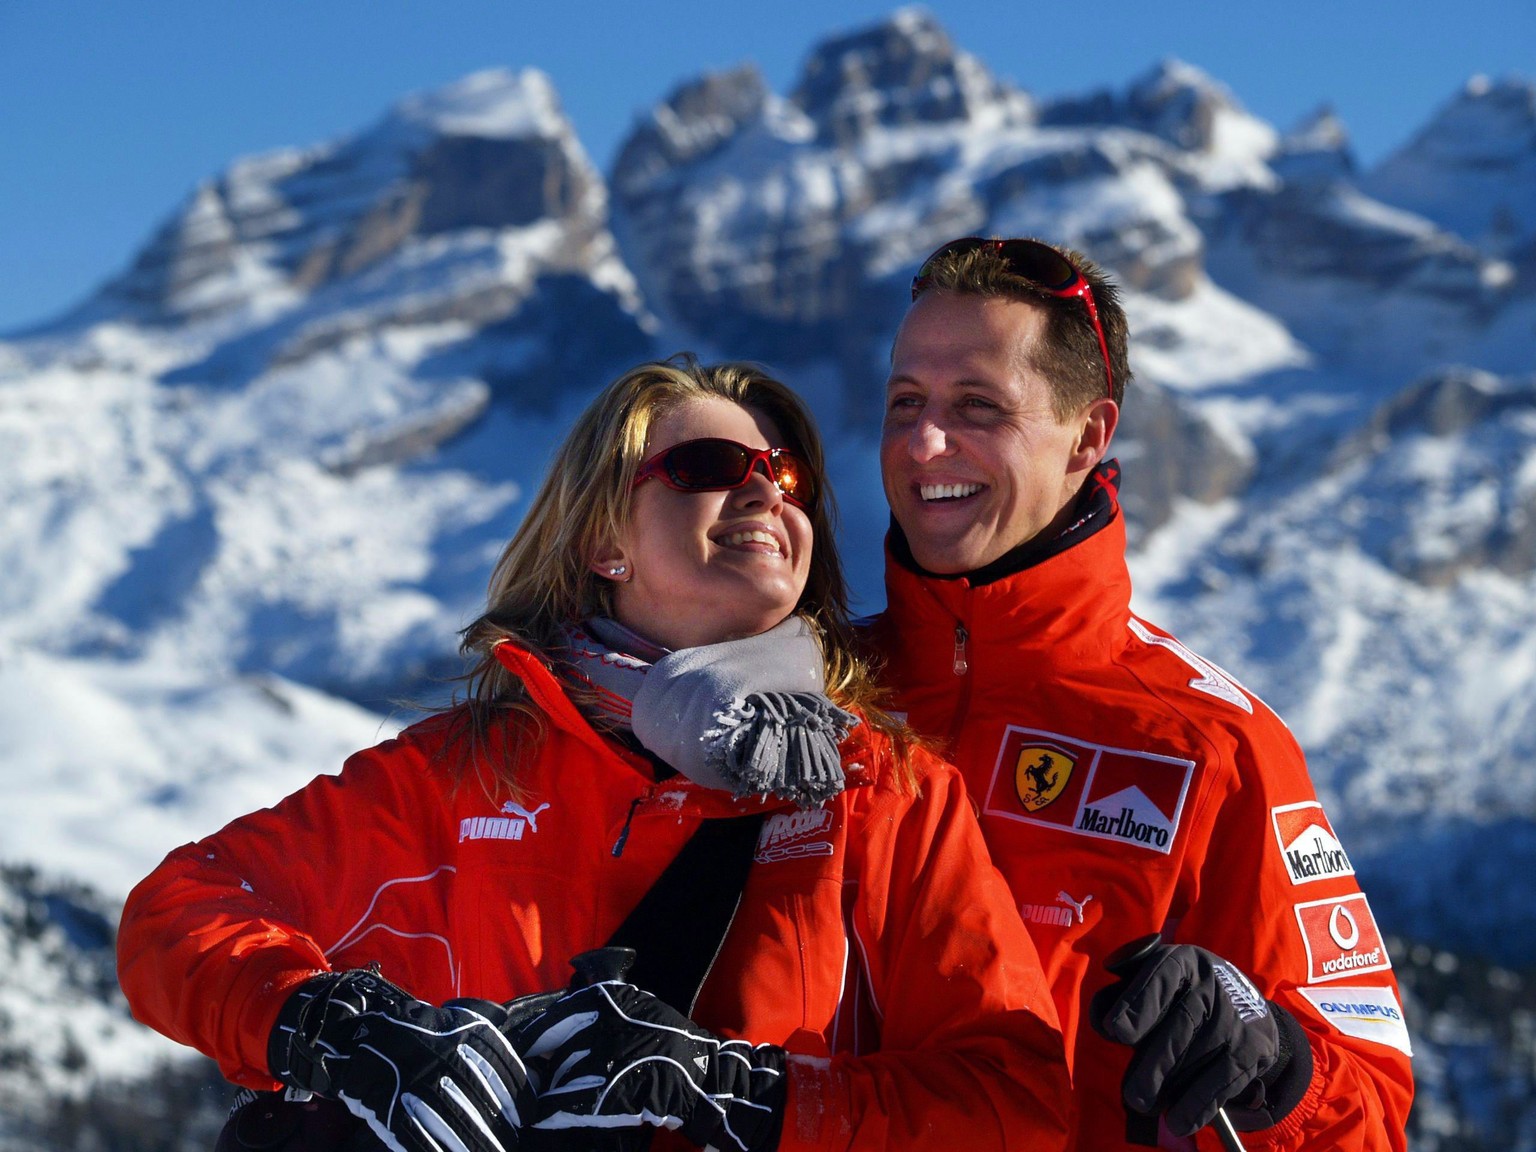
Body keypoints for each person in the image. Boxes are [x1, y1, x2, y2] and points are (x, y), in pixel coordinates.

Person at [118, 356, 1072, 1152]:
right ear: (603, 539)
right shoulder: (461, 774)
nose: (759, 489)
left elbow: (1014, 1098)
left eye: (786, 478)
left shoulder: (884, 791)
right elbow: (179, 913)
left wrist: (750, 1096)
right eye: (707, 463)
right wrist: (340, 1028)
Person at [865, 238, 1415, 1150]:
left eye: (977, 407)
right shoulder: (818, 690)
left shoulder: (1213, 745)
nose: (925, 444)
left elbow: (1371, 1112)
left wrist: (1275, 1062)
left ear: (1089, 434)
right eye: (905, 403)